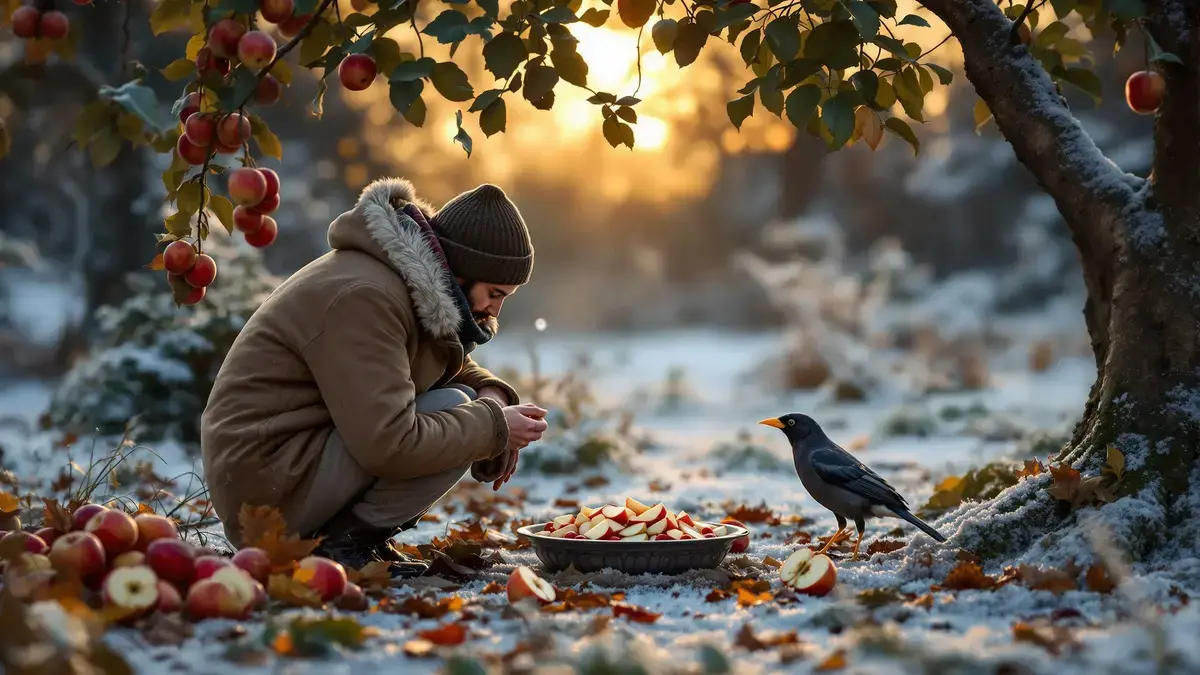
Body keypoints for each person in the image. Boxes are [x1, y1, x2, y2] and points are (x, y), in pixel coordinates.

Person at [200, 177, 548, 577]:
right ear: (461, 269)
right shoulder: (366, 296)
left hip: (291, 464)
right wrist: (492, 426)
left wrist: (493, 394)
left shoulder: (397, 280)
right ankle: (340, 547)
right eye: (494, 292)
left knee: (464, 400)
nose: (494, 310)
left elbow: (426, 361)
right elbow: (390, 444)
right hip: (267, 491)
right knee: (457, 408)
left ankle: (352, 539)